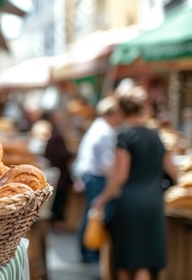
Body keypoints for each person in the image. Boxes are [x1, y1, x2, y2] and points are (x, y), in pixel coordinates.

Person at [92, 86, 177, 280]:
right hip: (154, 202)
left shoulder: (124, 136)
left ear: (121, 110)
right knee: (146, 260)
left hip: (130, 202)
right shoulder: (157, 136)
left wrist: (101, 199)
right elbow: (173, 170)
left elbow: (120, 176)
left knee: (128, 260)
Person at [72, 95, 122, 263]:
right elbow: (106, 164)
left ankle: (88, 249)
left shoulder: (98, 127)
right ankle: (90, 251)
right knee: (96, 212)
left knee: (92, 212)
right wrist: (114, 184)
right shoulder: (105, 132)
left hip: (89, 175)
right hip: (95, 177)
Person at [42, 111, 74, 228]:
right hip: (59, 169)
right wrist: (71, 154)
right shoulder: (56, 136)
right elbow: (62, 154)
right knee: (58, 197)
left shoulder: (53, 135)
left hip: (57, 168)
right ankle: (56, 220)